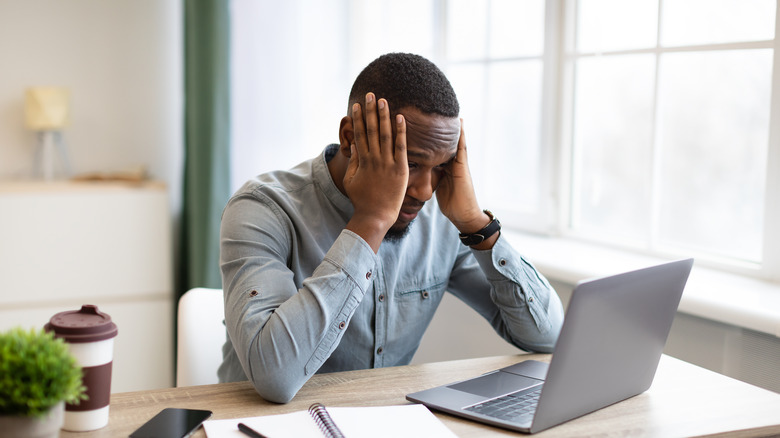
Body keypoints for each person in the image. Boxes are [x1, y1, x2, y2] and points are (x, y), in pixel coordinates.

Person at [218, 52, 564, 403]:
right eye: (410, 162)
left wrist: (476, 224)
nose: (425, 191)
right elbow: (274, 377)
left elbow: (549, 337)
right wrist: (370, 221)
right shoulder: (263, 208)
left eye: (442, 166)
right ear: (350, 138)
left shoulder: (443, 219)